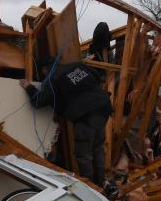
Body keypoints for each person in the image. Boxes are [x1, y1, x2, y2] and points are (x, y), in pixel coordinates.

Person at [21, 59, 113, 188]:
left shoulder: (52, 78)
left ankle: (91, 188)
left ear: (44, 70)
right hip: (103, 107)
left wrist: (29, 88)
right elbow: (98, 77)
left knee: (83, 154)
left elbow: (39, 101)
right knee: (97, 147)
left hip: (85, 115)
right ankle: (103, 183)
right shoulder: (77, 65)